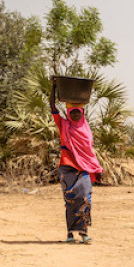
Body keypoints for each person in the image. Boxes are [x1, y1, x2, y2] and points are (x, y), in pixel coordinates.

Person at [50, 78, 103, 244]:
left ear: (82, 113)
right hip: (67, 167)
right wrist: (54, 87)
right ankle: (70, 234)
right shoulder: (63, 125)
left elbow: (89, 152)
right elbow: (53, 107)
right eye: (72, 112)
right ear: (68, 114)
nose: (74, 114)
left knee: (85, 199)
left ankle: (84, 232)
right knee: (70, 201)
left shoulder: (86, 130)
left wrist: (98, 170)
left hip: (84, 169)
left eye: (77, 112)